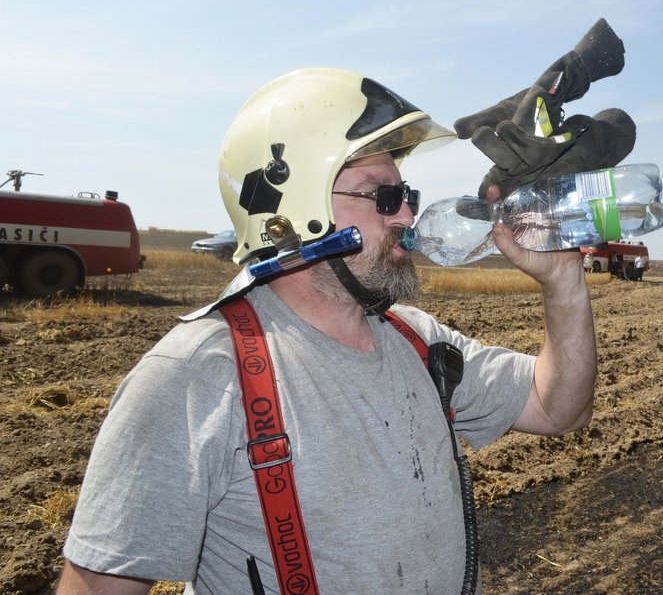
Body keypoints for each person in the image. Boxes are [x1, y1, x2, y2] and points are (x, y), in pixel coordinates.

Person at [56, 68, 597, 594]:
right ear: (296, 211)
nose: (406, 217)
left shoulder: (418, 339)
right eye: (384, 197)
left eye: (406, 195)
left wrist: (563, 282)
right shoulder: (195, 378)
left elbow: (557, 408)